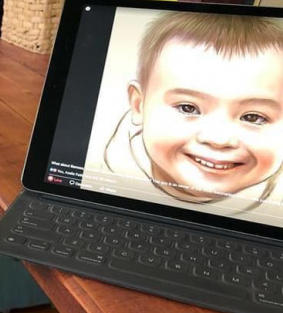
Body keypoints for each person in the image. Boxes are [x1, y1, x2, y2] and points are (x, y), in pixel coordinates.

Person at [102, 11, 283, 211]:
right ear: (139, 105)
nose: (218, 139)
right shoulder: (103, 183)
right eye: (188, 108)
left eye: (253, 117)